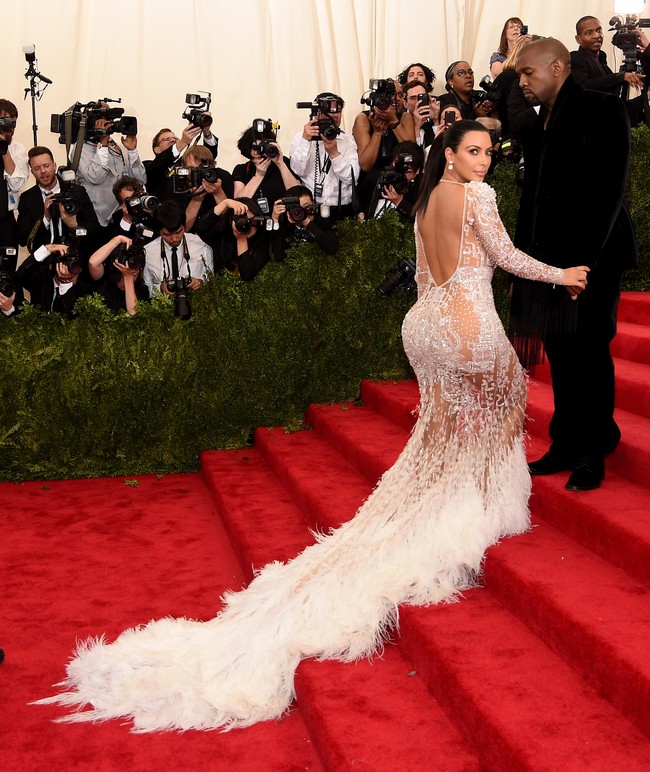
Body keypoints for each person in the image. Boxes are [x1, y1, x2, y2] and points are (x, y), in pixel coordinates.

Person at [37, 120, 589, 732]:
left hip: (424, 327)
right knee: (505, 399)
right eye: (474, 151)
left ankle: (451, 498)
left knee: (442, 428)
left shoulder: (428, 200)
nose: (485, 162)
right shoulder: (476, 196)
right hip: (466, 324)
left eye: (488, 152)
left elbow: (432, 275)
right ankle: (477, 506)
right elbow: (506, 258)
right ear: (451, 155)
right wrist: (564, 274)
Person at [511, 37, 638, 492]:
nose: (522, 82)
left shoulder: (603, 108)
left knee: (589, 352)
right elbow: (534, 198)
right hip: (549, 261)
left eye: (528, 73)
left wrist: (582, 265)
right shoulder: (540, 121)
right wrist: (523, 265)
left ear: (558, 66)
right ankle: (564, 443)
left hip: (595, 257)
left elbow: (609, 192)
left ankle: (593, 450)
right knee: (562, 352)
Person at [289, 92, 360, 222]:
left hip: (341, 210)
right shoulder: (301, 137)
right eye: (328, 111)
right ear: (317, 113)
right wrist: (306, 140)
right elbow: (298, 171)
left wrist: (334, 154)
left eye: (337, 112)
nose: (333, 116)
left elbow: (352, 177)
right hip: (311, 210)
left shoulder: (347, 139)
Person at [73, 104, 147, 228]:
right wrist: (103, 144)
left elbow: (141, 180)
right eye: (104, 120)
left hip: (123, 216)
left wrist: (132, 151)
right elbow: (95, 177)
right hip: (98, 220)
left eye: (111, 120)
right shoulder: (81, 148)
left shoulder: (118, 146)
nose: (109, 124)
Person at [570, 16, 648, 127]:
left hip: (609, 120)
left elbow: (614, 100)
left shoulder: (602, 59)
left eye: (598, 30)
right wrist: (621, 77)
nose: (597, 36)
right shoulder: (576, 57)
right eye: (589, 33)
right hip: (592, 126)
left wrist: (645, 97)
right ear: (578, 39)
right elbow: (584, 86)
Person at [143, 200, 213, 298]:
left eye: (178, 232)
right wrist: (160, 288)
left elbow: (212, 282)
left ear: (184, 227)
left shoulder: (202, 245)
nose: (174, 239)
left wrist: (200, 283)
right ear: (159, 232)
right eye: (167, 235)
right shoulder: (147, 251)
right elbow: (145, 289)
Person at [231, 122, 299, 213]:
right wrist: (258, 175)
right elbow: (238, 203)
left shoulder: (283, 163)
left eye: (261, 147)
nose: (257, 152)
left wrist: (281, 164)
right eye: (254, 147)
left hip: (282, 220)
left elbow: (298, 194)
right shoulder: (242, 169)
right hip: (252, 223)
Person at [352, 77, 410, 175]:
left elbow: (412, 155)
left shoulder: (405, 117)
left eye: (400, 95)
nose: (397, 99)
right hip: (371, 181)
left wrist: (393, 121)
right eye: (391, 94)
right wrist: (377, 133)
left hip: (399, 177)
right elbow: (365, 165)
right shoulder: (363, 118)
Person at [270, 184, 338, 261]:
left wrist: (307, 222)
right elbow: (279, 256)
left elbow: (331, 248)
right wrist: (275, 219)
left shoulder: (324, 219)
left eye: (306, 207)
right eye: (297, 208)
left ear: (313, 203)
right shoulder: (286, 224)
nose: (301, 211)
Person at [88, 233, 149, 316]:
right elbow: (93, 263)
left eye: (137, 265)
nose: (134, 269)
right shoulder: (105, 281)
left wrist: (128, 277)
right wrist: (118, 239)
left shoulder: (142, 289)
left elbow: (134, 314)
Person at [0, 99, 29, 255]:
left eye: (13, 122)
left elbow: (17, 185)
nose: (8, 126)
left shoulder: (17, 150)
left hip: (5, 222)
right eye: (4, 120)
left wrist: (5, 151)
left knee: (7, 273)